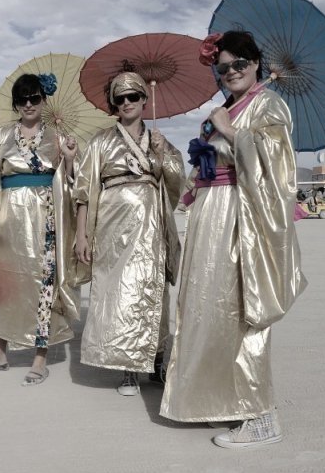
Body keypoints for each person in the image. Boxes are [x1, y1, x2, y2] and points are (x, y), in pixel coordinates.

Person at [160, 31, 308, 447]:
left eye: (239, 64)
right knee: (210, 308)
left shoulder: (268, 104)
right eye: (222, 68)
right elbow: (209, 163)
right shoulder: (227, 106)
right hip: (212, 214)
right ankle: (223, 400)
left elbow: (276, 163)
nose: (230, 73)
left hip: (241, 216)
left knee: (243, 306)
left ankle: (261, 415)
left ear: (255, 63)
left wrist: (232, 131)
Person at [73, 72, 184, 396]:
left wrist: (163, 156)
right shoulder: (101, 141)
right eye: (120, 99)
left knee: (153, 291)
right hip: (112, 228)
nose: (126, 103)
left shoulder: (160, 140)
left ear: (144, 100)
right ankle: (128, 369)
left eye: (133, 96)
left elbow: (177, 183)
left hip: (152, 228)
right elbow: (84, 190)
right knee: (118, 293)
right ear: (114, 104)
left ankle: (156, 362)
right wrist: (82, 234)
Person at [0, 73, 80, 386]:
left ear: (43, 101)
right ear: (16, 104)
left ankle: (39, 357)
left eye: (34, 98)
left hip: (46, 218)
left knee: (43, 283)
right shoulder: (1, 137)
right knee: (5, 285)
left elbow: (72, 182)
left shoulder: (58, 136)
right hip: (8, 218)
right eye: (23, 99)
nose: (29, 104)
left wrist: (69, 160)